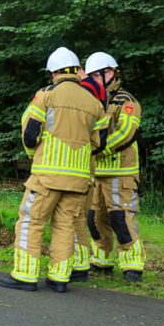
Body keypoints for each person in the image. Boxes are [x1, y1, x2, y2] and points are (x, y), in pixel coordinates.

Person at [0, 47, 108, 293]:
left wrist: (34, 155)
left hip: (46, 175)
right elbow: (99, 144)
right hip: (79, 179)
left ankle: (25, 275)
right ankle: (59, 278)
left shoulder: (46, 95)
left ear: (54, 73)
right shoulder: (94, 103)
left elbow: (29, 133)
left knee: (31, 222)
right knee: (64, 226)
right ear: (76, 72)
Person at [85, 52, 146, 283]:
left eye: (95, 76)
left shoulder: (126, 101)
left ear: (109, 73)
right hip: (97, 173)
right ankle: (102, 260)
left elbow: (125, 133)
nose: (91, 80)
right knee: (94, 219)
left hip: (121, 172)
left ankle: (133, 264)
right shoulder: (96, 100)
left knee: (121, 219)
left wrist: (96, 149)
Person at [70, 68, 110, 283]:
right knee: (80, 216)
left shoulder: (85, 89)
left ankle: (79, 266)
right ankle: (81, 264)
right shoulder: (97, 91)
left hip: (78, 164)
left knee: (74, 216)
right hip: (87, 164)